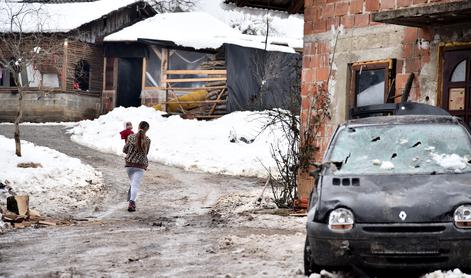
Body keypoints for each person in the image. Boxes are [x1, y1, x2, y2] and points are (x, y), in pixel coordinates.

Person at [122, 121, 151, 212]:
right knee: (135, 184)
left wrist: (131, 152)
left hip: (129, 164)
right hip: (140, 165)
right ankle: (132, 202)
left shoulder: (130, 137)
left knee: (133, 183)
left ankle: (131, 198)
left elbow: (124, 149)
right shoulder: (148, 140)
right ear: (147, 130)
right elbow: (146, 153)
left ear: (138, 127)